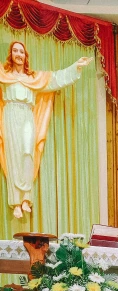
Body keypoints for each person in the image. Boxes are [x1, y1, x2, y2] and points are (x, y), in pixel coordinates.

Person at [0, 41, 92, 219]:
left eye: (21, 51)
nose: (18, 54)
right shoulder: (4, 75)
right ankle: (16, 202)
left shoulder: (34, 78)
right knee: (13, 158)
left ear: (26, 56)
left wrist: (75, 67)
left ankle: (26, 197)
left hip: (27, 115)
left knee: (28, 153)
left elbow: (56, 78)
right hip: (10, 115)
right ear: (10, 54)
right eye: (15, 51)